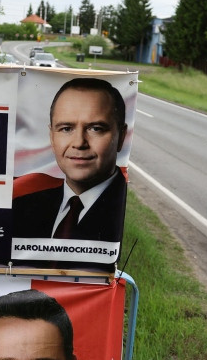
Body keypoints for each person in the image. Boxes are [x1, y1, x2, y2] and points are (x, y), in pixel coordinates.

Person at [12, 77, 128, 246]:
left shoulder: (126, 213)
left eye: (95, 129)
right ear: (52, 137)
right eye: (66, 129)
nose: (79, 143)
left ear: (121, 137)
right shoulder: (22, 208)